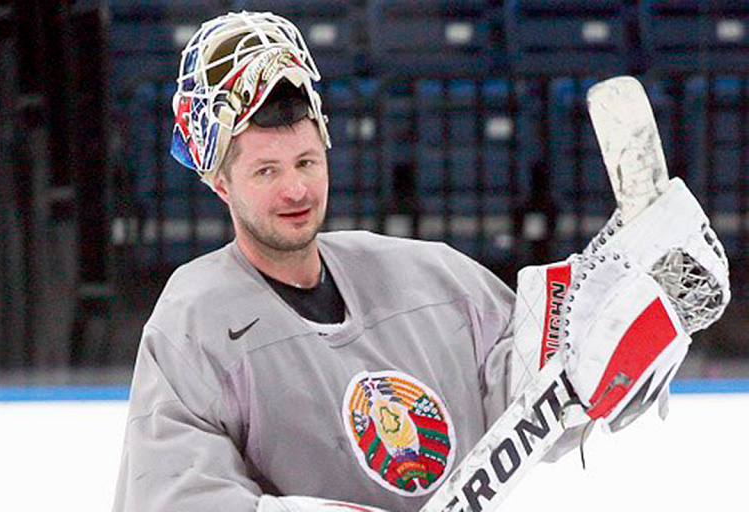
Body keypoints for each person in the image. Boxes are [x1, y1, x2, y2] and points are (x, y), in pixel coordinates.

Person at [113, 11, 704, 512]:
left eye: (306, 162)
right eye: (266, 171)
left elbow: (528, 391)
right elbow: (171, 495)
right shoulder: (195, 322)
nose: (295, 191)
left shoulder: (425, 275)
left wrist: (624, 324)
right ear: (221, 184)